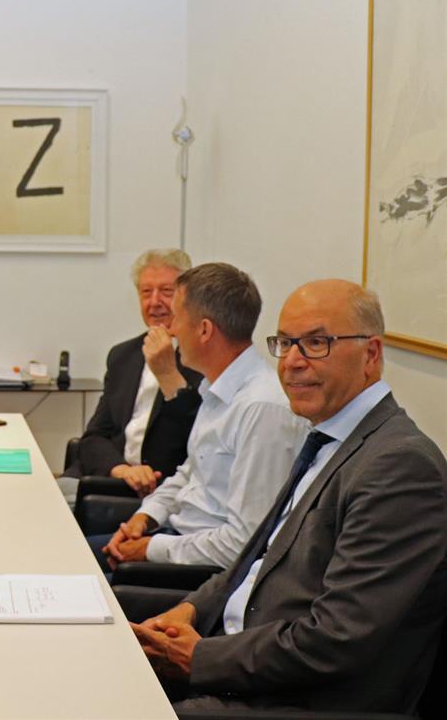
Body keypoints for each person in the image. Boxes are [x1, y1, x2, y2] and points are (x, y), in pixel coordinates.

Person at [132, 280, 447, 714]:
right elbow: (256, 558)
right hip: (237, 653)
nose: (292, 362)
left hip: (296, 700)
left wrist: (199, 658)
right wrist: (187, 610)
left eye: (317, 343)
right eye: (285, 343)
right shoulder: (328, 436)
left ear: (371, 354)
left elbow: (337, 639)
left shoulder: (400, 465)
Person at [98, 263, 306, 570]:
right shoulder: (215, 388)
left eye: (177, 318)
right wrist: (145, 516)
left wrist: (150, 549)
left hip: (200, 571)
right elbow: (190, 473)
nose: (171, 330)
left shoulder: (262, 408)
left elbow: (243, 544)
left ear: (205, 330)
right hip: (177, 537)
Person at [70, 249, 204, 497]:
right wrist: (121, 470)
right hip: (111, 478)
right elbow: (94, 437)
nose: (154, 302)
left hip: (163, 490)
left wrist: (168, 374)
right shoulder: (123, 356)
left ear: (188, 298)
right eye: (146, 292)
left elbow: (200, 441)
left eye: (166, 291)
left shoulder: (202, 358)